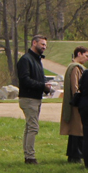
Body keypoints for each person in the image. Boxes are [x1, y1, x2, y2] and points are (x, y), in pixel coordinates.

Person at [16, 34, 53, 164]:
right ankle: (30, 157)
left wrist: (45, 87)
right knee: (33, 127)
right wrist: (42, 86)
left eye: (45, 45)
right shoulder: (26, 60)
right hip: (28, 98)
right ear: (34, 43)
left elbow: (37, 79)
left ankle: (28, 155)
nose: (44, 47)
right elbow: (25, 80)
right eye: (42, 44)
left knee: (29, 127)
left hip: (35, 97)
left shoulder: (37, 60)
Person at [61, 47, 88, 164]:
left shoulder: (74, 67)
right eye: (86, 56)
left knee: (76, 130)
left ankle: (74, 154)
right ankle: (75, 155)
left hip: (75, 103)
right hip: (76, 104)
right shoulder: (75, 68)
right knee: (77, 130)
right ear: (79, 54)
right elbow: (75, 87)